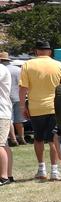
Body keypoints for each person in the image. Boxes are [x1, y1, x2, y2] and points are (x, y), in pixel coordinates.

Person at [18, 41, 61, 181]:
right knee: (54, 139)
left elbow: (23, 88)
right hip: (55, 107)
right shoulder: (58, 65)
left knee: (38, 139)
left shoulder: (28, 65)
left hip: (36, 107)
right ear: (49, 51)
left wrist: (22, 106)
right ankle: (55, 170)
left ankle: (41, 169)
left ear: (36, 51)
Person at [2, 52, 23, 147]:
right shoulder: (18, 70)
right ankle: (21, 138)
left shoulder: (3, 69)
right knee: (19, 120)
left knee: (10, 119)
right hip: (18, 96)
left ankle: (13, 139)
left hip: (7, 97)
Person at [0, 51, 11, 186]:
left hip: (1, 112)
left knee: (0, 145)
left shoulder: (1, 69)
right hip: (3, 111)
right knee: (4, 145)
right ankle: (8, 174)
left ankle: (3, 177)